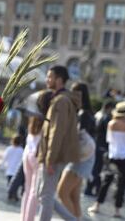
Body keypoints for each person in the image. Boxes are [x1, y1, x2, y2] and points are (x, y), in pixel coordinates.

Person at [37, 65, 80, 221]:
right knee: (41, 194)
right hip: (51, 155)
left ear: (59, 80)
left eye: (50, 77)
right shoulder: (59, 99)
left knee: (46, 196)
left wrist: (50, 159)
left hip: (53, 157)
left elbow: (57, 132)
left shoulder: (61, 101)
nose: (47, 80)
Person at [88, 101, 125, 218]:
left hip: (113, 156)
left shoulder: (112, 123)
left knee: (106, 182)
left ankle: (97, 205)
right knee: (121, 184)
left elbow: (109, 140)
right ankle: (117, 210)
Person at [56, 82, 96, 220]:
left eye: (74, 92)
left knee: (62, 192)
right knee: (74, 195)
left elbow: (78, 136)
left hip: (80, 156)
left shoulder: (83, 113)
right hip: (84, 156)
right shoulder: (87, 112)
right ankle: (77, 218)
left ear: (80, 94)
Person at [20, 89, 52, 221]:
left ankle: (24, 218)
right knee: (34, 192)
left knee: (28, 191)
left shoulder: (33, 116)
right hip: (37, 155)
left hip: (27, 152)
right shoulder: (47, 119)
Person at [84, 100, 115, 196]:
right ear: (109, 108)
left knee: (95, 168)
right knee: (97, 169)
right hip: (101, 146)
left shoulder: (98, 114)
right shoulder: (106, 118)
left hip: (96, 144)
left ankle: (94, 188)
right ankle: (92, 189)